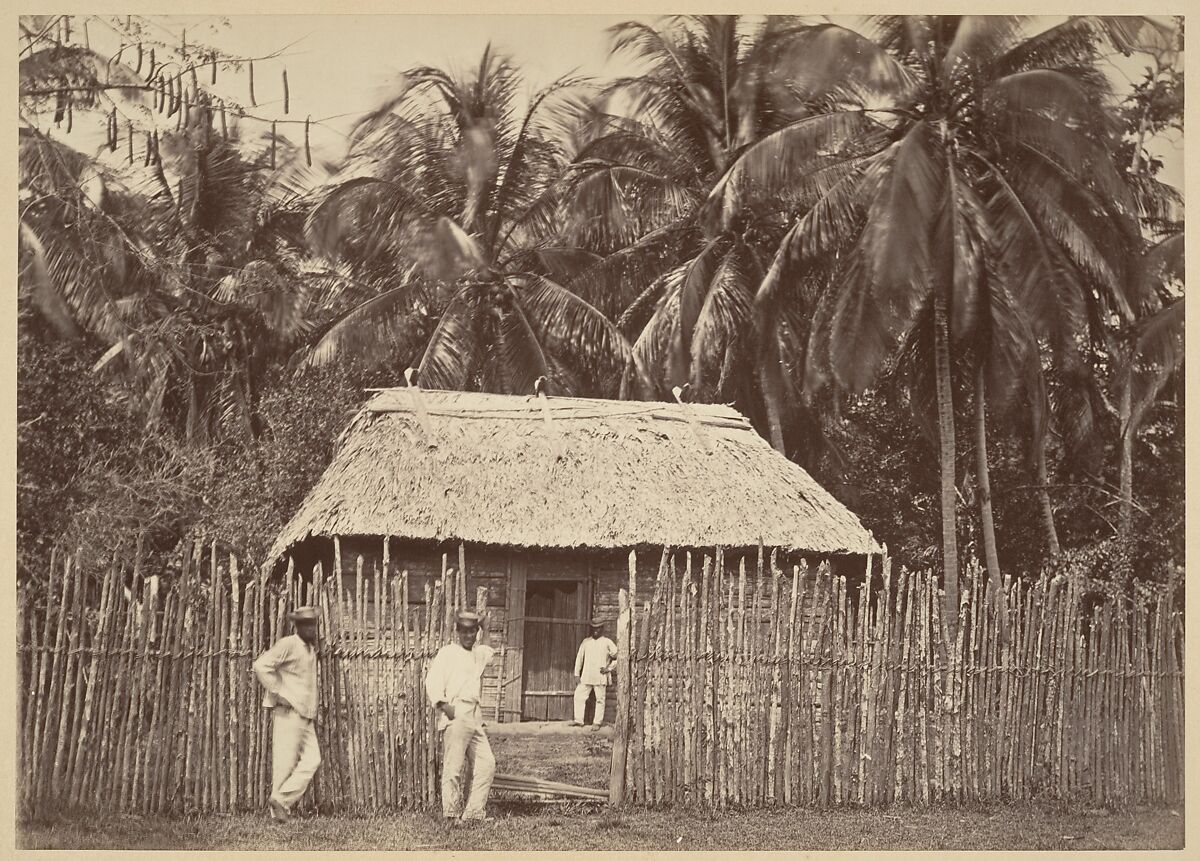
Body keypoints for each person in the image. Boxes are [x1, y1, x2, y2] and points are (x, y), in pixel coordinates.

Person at [425, 610, 496, 823]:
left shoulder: (478, 653)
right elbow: (432, 680)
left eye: (472, 631)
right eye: (463, 631)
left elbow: (490, 652)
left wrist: (487, 625)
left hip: (474, 715)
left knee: (486, 763)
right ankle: (451, 814)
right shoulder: (448, 653)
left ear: (477, 632)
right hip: (456, 712)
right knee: (453, 766)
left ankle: (474, 813)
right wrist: (444, 706)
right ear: (457, 631)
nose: (468, 636)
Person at [253, 605, 322, 823]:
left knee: (313, 760)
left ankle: (281, 800)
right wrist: (277, 692)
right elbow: (261, 665)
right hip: (288, 713)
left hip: (305, 715)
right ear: (297, 626)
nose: (311, 628)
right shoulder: (288, 644)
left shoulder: (310, 649)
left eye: (313, 624)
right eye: (306, 624)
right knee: (284, 764)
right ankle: (277, 814)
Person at [569, 618, 616, 730]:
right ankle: (579, 720)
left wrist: (609, 668)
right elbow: (579, 658)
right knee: (579, 696)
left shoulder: (607, 642)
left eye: (598, 628)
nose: (596, 631)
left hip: (600, 676)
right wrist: (577, 674)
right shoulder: (586, 642)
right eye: (594, 628)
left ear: (602, 629)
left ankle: (597, 723)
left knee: (600, 699)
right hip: (586, 675)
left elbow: (618, 657)